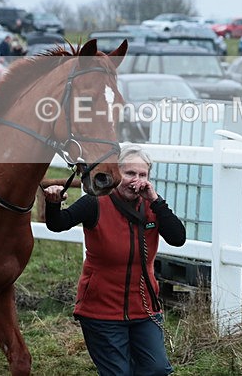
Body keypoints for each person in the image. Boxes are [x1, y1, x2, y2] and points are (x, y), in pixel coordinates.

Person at [43, 145, 186, 376]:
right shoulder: (95, 202)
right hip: (101, 310)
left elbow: (178, 238)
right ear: (116, 173)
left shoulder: (153, 206)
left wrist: (157, 201)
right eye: (130, 173)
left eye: (142, 175)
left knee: (157, 369)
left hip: (144, 309)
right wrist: (53, 203)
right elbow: (58, 223)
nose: (136, 181)